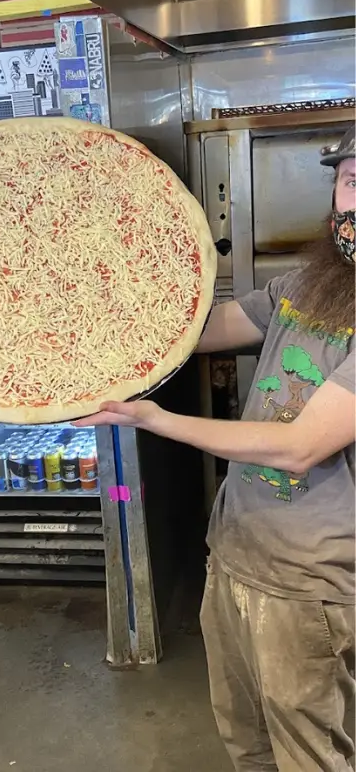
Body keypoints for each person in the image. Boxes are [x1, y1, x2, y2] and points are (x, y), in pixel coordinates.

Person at [76, 125, 356, 771]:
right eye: (351, 182)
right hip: (234, 553)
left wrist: (155, 419)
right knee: (245, 738)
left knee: (309, 754)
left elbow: (297, 447)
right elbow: (208, 330)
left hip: (308, 584)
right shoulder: (308, 284)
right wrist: (98, 308)